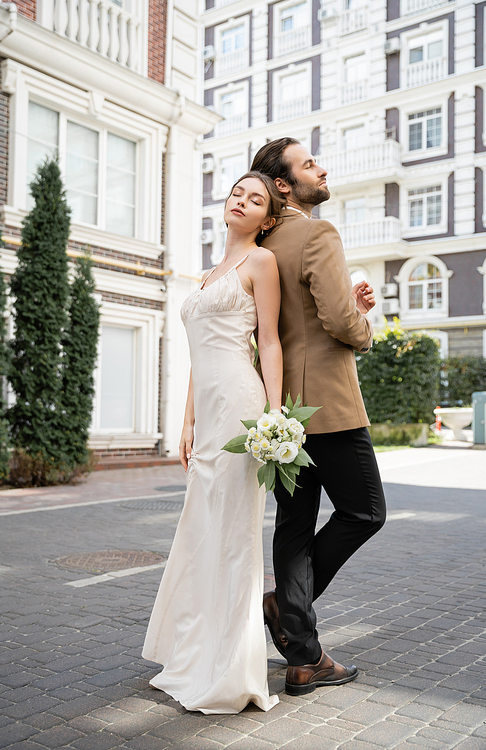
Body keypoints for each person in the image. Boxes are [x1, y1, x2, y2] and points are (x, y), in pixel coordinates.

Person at [142, 172, 285, 714]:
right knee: (201, 530)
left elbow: (267, 341)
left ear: (267, 219)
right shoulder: (205, 276)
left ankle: (230, 668)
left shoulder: (260, 263)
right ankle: (193, 654)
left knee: (232, 533)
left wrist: (273, 417)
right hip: (208, 410)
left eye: (256, 199)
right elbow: (197, 362)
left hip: (242, 407)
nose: (241, 202)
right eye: (236, 193)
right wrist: (185, 423)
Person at [251, 138, 387, 696]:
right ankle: (287, 610)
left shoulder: (264, 244)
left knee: (294, 524)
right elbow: (335, 319)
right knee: (365, 512)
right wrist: (362, 322)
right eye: (309, 164)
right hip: (327, 404)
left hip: (284, 409)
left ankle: (303, 659)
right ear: (283, 185)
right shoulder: (317, 232)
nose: (321, 168)